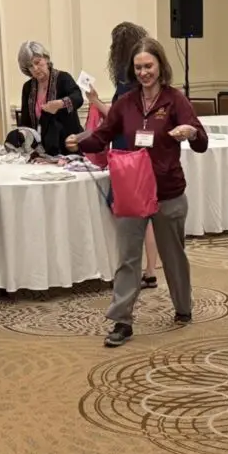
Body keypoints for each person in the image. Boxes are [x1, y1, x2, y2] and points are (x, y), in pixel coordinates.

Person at [68, 38, 205, 347]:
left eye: (149, 66)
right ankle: (121, 321)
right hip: (131, 190)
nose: (144, 72)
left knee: (173, 256)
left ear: (160, 66)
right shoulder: (126, 102)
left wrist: (191, 132)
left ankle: (183, 307)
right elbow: (104, 134)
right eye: (138, 67)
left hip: (168, 191)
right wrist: (81, 140)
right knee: (128, 258)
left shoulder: (175, 100)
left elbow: (201, 141)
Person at [86, 22, 161, 288]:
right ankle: (150, 268)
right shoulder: (146, 79)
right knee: (147, 209)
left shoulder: (126, 79)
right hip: (144, 147)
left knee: (130, 209)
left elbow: (116, 118)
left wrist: (94, 100)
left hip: (126, 150)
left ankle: (134, 265)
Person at [17, 40, 82, 156]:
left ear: (46, 59)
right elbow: (26, 121)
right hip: (42, 151)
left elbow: (78, 98)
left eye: (37, 62)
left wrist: (61, 104)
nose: (35, 68)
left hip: (69, 146)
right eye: (30, 66)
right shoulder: (27, 88)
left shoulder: (63, 78)